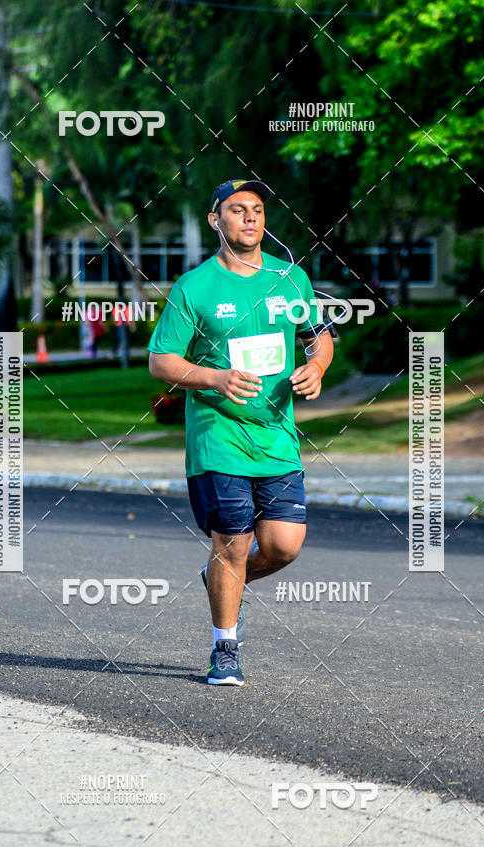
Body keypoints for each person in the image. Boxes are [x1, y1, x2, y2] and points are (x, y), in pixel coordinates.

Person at [147, 179, 334, 686]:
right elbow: (161, 361)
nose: (250, 218)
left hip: (276, 435)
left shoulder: (289, 279)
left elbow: (319, 338)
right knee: (233, 541)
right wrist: (216, 378)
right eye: (237, 210)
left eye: (257, 210)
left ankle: (222, 583)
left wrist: (317, 367)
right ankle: (224, 647)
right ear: (216, 220)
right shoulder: (195, 287)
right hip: (218, 433)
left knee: (283, 546)